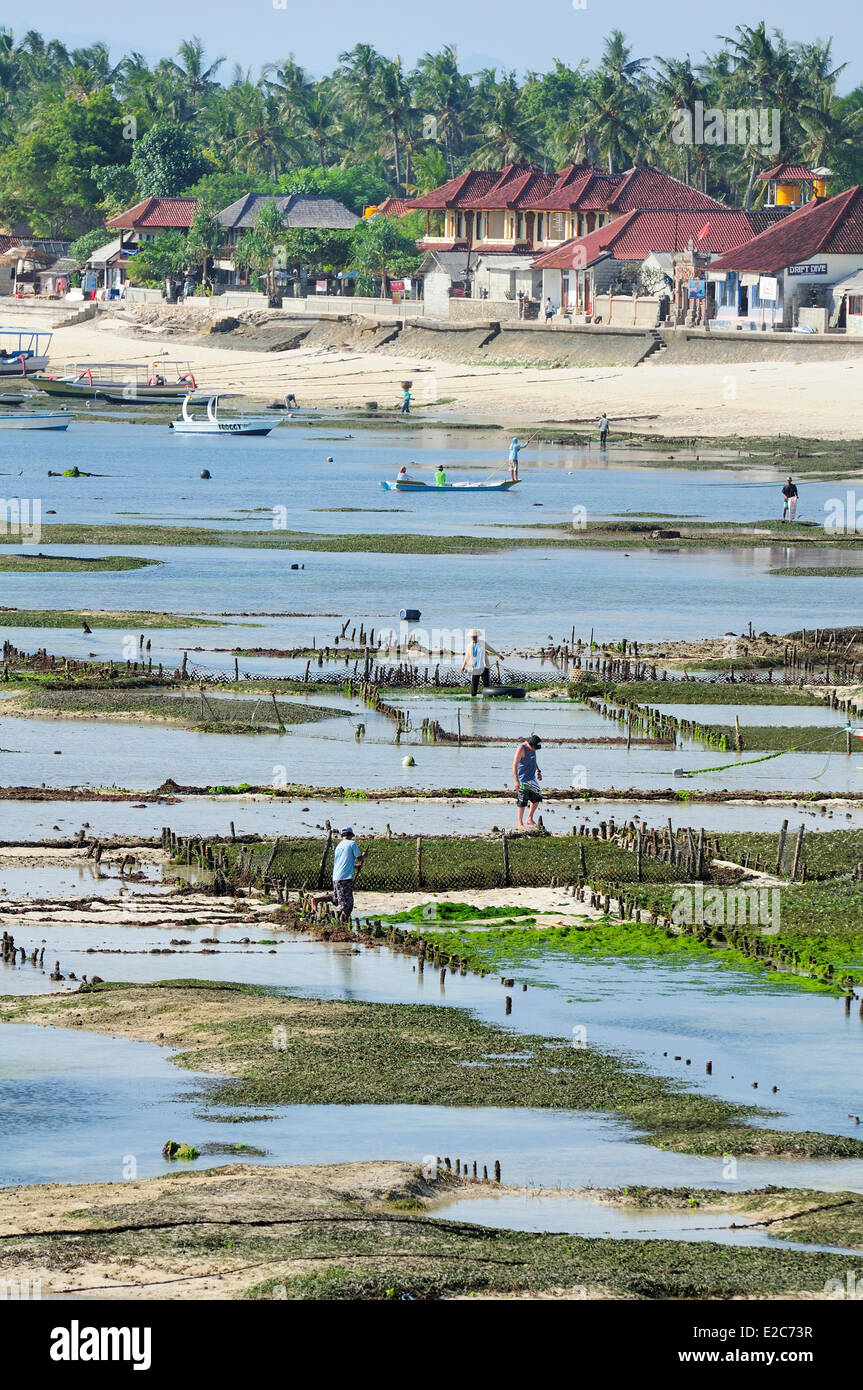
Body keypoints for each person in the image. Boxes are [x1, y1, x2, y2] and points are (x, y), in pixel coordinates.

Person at [329, 827, 363, 922]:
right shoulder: (352, 843)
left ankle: (317, 900)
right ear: (351, 835)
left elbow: (343, 863)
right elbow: (359, 858)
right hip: (345, 878)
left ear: (342, 836)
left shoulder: (339, 846)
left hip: (336, 877)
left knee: (337, 899)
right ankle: (343, 923)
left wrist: (354, 866)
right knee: (347, 904)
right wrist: (364, 855)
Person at [513, 733, 543, 830]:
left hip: (532, 778)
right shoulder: (521, 749)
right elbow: (514, 765)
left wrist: (538, 770)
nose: (535, 750)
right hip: (523, 780)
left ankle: (529, 818)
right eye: (534, 748)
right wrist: (516, 781)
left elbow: (533, 760)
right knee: (522, 800)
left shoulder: (533, 747)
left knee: (537, 797)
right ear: (530, 745)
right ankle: (520, 823)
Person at [460, 627, 500, 696]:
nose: (474, 638)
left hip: (484, 667)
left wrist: (498, 655)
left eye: (475, 637)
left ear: (477, 636)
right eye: (472, 637)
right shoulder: (470, 646)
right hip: (475, 667)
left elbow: (491, 649)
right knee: (474, 683)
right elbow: (467, 657)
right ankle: (473, 697)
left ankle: (488, 697)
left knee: (486, 684)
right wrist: (463, 666)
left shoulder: (482, 643)